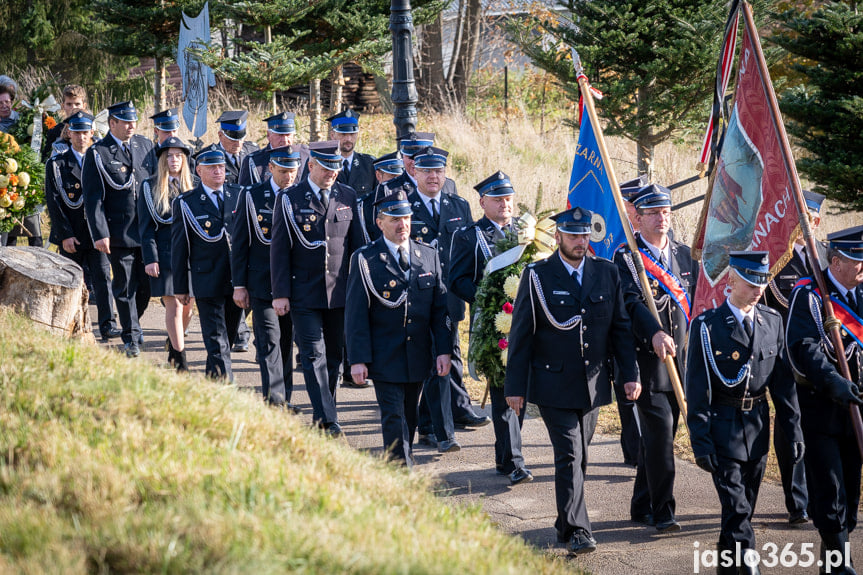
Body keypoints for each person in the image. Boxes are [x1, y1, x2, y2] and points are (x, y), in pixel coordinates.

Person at [504, 206, 640, 555]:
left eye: (585, 235)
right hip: (552, 384)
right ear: (559, 236)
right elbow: (521, 336)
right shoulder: (538, 276)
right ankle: (580, 530)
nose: (581, 242)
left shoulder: (606, 273)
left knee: (581, 458)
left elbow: (621, 330)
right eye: (573, 235)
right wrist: (515, 389)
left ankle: (565, 524)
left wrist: (629, 375)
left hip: (592, 385)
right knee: (568, 454)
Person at [686, 251, 803, 575]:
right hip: (722, 432)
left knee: (741, 512)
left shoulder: (772, 322)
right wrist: (700, 442)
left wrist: (793, 432)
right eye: (751, 282)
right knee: (737, 510)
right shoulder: (707, 328)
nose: (757, 290)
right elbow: (698, 391)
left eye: (762, 283)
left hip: (757, 430)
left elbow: (783, 387)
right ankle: (750, 566)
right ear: (732, 280)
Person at [345, 188, 452, 463]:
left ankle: (404, 459)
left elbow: (440, 311)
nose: (402, 224)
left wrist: (444, 350)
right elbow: (356, 315)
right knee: (393, 415)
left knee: (410, 415)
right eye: (394, 218)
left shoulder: (427, 255)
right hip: (383, 355)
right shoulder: (365, 259)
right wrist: (357, 360)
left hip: (418, 355)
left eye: (406, 217)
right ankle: (400, 470)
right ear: (380, 223)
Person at [613, 184, 696, 533]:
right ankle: (664, 510)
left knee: (658, 437)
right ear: (637, 216)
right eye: (653, 213)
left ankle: (641, 502)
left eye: (666, 212)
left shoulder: (684, 253)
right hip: (647, 362)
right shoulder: (626, 256)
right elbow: (631, 303)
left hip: (683, 363)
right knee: (661, 435)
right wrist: (654, 332)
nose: (662, 219)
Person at [270, 143, 364, 436]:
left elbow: (357, 246)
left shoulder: (347, 195)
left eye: (335, 168)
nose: (331, 174)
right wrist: (280, 293)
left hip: (339, 292)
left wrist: (361, 289)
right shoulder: (289, 199)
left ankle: (326, 411)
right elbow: (279, 249)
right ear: (310, 166)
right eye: (325, 168)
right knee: (312, 354)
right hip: (304, 292)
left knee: (334, 357)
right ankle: (327, 417)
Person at [448, 171, 533, 484]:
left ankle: (504, 457)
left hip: (527, 324)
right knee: (503, 395)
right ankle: (514, 462)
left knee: (521, 392)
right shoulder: (470, 236)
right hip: (495, 326)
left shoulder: (527, 234)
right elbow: (456, 280)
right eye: (498, 199)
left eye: (508, 198)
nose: (505, 204)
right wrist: (488, 298)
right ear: (483, 202)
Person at [787, 225, 863, 572]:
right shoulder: (810, 296)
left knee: (850, 491)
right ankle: (839, 563)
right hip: (824, 413)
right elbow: (803, 349)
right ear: (836, 261)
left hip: (858, 413)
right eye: (857, 261)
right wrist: (834, 382)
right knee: (829, 492)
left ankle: (830, 561)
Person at [408, 146, 490, 451]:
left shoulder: (458, 205)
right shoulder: (405, 206)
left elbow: (468, 253)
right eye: (427, 171)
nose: (433, 176)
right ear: (415, 172)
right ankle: (443, 433)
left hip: (451, 296)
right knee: (434, 360)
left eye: (438, 171)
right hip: (419, 296)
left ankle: (429, 425)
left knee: (445, 356)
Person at [761, 190, 825, 526]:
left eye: (809, 218)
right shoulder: (775, 260)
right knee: (791, 425)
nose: (803, 225)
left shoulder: (830, 258)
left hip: (823, 360)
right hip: (785, 359)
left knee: (822, 427)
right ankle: (797, 501)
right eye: (797, 218)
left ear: (817, 221)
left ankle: (820, 495)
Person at [231, 146, 301, 411]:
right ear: (270, 168)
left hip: (293, 283)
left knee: (286, 341)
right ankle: (273, 399)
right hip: (261, 282)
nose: (289, 177)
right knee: (269, 340)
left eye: (293, 171)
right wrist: (239, 285)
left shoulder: (298, 195)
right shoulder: (252, 196)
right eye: (283, 171)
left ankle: (285, 397)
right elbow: (240, 243)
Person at [82, 101, 154, 357]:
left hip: (146, 231)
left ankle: (133, 322)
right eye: (125, 122)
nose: (131, 126)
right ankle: (131, 337)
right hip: (118, 232)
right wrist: (100, 233)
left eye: (133, 121)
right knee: (124, 285)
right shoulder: (98, 153)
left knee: (145, 287)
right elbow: (93, 198)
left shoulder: (144, 146)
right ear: (112, 123)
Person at [45, 111, 121, 342]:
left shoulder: (100, 159)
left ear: (92, 133)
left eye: (85, 132)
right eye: (76, 132)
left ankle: (108, 323)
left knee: (103, 278)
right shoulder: (58, 164)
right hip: (72, 234)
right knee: (70, 281)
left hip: (97, 234)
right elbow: (54, 202)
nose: (81, 137)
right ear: (69, 133)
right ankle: (67, 323)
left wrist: (106, 232)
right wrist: (65, 235)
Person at [171, 147, 243, 379]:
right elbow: (179, 247)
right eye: (212, 167)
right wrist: (181, 287)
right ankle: (227, 388)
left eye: (221, 167)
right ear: (198, 170)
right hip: (207, 280)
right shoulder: (187, 202)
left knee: (227, 337)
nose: (218, 171)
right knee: (216, 338)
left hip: (237, 279)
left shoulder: (240, 195)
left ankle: (213, 381)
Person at [200, 110, 257, 352]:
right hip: (221, 229)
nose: (237, 142)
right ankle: (239, 330)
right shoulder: (209, 157)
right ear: (220, 134)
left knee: (249, 280)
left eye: (240, 137)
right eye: (232, 137)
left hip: (249, 227)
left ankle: (240, 324)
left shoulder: (252, 153)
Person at [138, 136, 195, 371]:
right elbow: (146, 227)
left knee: (189, 307)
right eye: (169, 156)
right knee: (174, 305)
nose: (174, 160)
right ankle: (180, 359)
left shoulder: (194, 187)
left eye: (179, 156)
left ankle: (174, 344)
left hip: (190, 257)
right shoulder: (150, 187)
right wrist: (151, 258)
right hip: (166, 254)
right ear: (162, 160)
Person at [239, 111, 308, 186]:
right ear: (268, 135)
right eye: (280, 135)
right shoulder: (253, 161)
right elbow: (244, 193)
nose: (285, 140)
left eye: (288, 135)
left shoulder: (305, 155)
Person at [327, 109, 376, 197]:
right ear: (332, 135)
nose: (349, 139)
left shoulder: (369, 165)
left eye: (352, 134)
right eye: (343, 134)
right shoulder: (322, 164)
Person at [42, 84, 88, 161]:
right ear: (63, 106)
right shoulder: (55, 132)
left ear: (84, 105)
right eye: (69, 104)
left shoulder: (91, 129)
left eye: (77, 104)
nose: (73, 108)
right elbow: (45, 159)